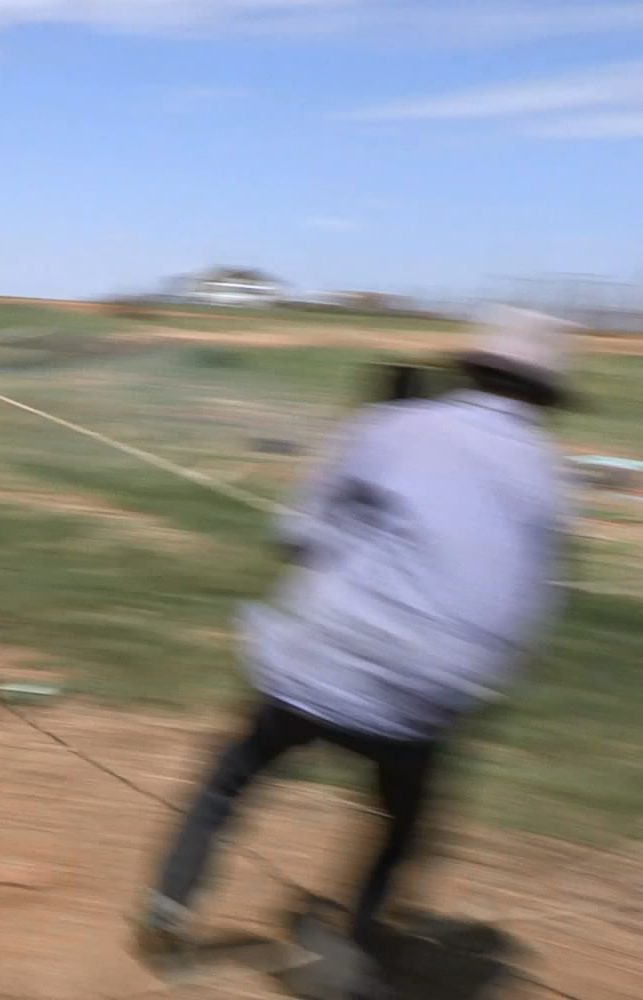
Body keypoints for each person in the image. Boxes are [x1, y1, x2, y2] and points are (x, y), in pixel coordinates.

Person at [131, 305, 579, 993]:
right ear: (545, 397)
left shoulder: (395, 425)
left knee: (232, 775)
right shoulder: (551, 482)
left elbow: (297, 536)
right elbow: (527, 612)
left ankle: (168, 906)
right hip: (426, 697)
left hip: (319, 658)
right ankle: (360, 943)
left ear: (474, 369)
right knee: (403, 821)